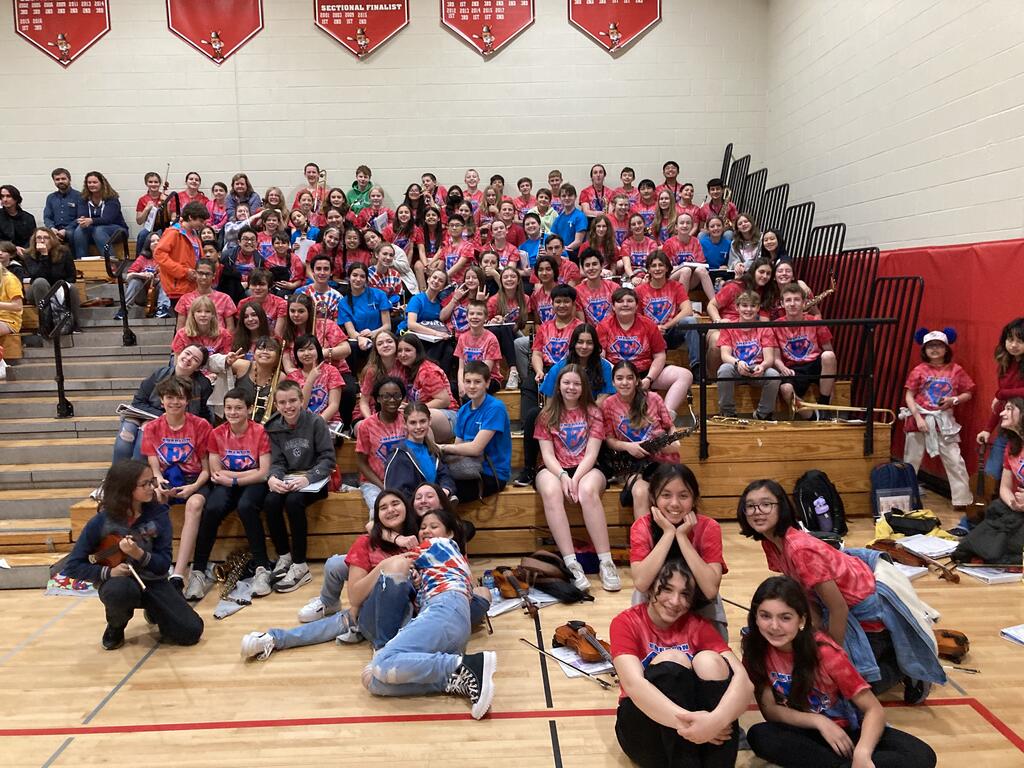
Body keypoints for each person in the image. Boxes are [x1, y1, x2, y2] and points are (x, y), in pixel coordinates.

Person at [737, 479, 946, 700]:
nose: (757, 512)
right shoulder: (771, 542)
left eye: (766, 504)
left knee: (844, 689)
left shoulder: (800, 550)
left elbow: (839, 609)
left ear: (782, 507)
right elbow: (802, 592)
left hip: (864, 614)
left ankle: (903, 668)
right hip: (831, 603)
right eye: (750, 506)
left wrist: (830, 658)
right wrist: (811, 633)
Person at [742, 575, 937, 768]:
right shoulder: (755, 649)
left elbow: (874, 710)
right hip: (803, 728)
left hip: (848, 730)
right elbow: (770, 710)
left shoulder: (826, 653)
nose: (774, 626)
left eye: (785, 618)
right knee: (760, 735)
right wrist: (818, 721)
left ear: (801, 620)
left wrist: (862, 752)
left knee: (921, 754)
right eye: (765, 616)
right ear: (755, 617)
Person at [240, 490, 420, 658]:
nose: (390, 510)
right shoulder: (366, 543)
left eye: (395, 503)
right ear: (378, 515)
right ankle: (275, 637)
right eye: (383, 507)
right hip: (373, 615)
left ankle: (275, 638)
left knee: (345, 619)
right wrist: (384, 566)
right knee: (348, 607)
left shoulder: (420, 536)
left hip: (409, 618)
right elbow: (355, 597)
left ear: (406, 506)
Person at [610, 559, 752, 767]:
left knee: (710, 661)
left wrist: (715, 721)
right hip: (646, 732)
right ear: (651, 588)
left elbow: (744, 682)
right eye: (667, 589)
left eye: (685, 594)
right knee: (672, 659)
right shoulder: (626, 622)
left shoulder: (698, 626)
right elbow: (634, 685)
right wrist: (691, 725)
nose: (675, 601)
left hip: (701, 734)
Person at [360, 508, 497, 720]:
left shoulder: (440, 544)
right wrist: (417, 581)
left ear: (450, 533)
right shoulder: (436, 561)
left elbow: (374, 531)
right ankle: (452, 678)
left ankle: (468, 665)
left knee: (381, 662)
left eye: (434, 526)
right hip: (450, 622)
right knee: (373, 681)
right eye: (423, 527)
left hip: (444, 608)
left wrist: (398, 538)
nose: (426, 531)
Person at [63, 460, 204, 650]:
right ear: (126, 488)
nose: (152, 487)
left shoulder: (159, 514)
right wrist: (109, 573)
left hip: (153, 582)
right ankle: (116, 625)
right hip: (119, 584)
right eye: (145, 484)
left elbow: (163, 564)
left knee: (191, 631)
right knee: (119, 591)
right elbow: (72, 566)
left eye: (152, 481)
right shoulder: (101, 521)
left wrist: (139, 554)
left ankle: (154, 611)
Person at [534, 364, 619, 592]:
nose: (571, 387)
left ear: (583, 388)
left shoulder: (593, 412)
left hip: (586, 467)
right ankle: (572, 563)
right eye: (566, 383)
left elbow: (591, 454)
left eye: (576, 383)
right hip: (553, 468)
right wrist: (563, 475)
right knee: (551, 491)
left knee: (587, 491)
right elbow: (547, 455)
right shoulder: (546, 415)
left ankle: (606, 562)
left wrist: (575, 477)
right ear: (558, 386)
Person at [185, 387, 271, 601]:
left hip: (251, 484)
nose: (232, 412)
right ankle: (198, 571)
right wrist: (243, 474)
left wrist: (233, 479)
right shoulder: (217, 433)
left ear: (249, 409)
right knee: (212, 508)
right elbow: (216, 472)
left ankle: (262, 568)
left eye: (238, 408)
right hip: (228, 482)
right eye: (229, 408)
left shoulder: (259, 431)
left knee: (246, 507)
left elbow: (263, 473)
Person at [629, 464, 728, 635]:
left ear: (694, 498)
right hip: (655, 603)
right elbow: (641, 583)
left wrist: (682, 537)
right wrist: (668, 533)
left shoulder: (709, 527)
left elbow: (710, 590)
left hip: (699, 603)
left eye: (683, 496)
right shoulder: (642, 526)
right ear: (653, 497)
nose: (674, 503)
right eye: (666, 495)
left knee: (713, 649)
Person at [140, 376, 212, 591]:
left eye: (180, 398)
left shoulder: (200, 425)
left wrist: (193, 488)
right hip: (166, 479)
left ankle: (179, 574)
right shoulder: (152, 427)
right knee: (155, 498)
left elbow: (207, 469)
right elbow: (154, 464)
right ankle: (159, 565)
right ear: (162, 400)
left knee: (195, 504)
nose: (175, 402)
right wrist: (159, 481)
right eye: (170, 397)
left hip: (195, 480)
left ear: (187, 401)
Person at [264, 380, 337, 592]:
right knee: (270, 500)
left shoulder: (316, 422)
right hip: (290, 479)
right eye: (282, 402)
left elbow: (328, 459)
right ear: (276, 405)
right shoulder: (273, 427)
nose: (288, 406)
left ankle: (300, 564)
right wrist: (273, 478)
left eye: (292, 401)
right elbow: (277, 461)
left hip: (315, 481)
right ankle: (284, 556)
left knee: (294, 502)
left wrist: (308, 478)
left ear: (301, 400)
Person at [902, 328, 974, 509]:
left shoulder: (956, 370)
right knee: (911, 461)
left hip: (944, 420)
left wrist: (953, 400)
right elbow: (909, 395)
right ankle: (903, 499)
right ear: (924, 349)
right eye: (930, 346)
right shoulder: (919, 370)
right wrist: (918, 417)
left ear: (946, 348)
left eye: (939, 345)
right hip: (920, 418)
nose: (934, 349)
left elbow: (968, 392)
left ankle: (963, 500)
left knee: (955, 460)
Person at [599, 287, 693, 423]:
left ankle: (665, 418)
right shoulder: (604, 326)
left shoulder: (648, 324)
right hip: (616, 374)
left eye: (629, 301)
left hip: (645, 372)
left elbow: (659, 355)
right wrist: (617, 378)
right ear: (613, 306)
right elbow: (601, 357)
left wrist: (649, 379)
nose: (625, 304)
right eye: (620, 301)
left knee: (685, 375)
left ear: (637, 305)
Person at [605, 362, 681, 519]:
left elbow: (670, 427)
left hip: (661, 458)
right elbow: (609, 440)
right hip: (631, 463)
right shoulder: (608, 404)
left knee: (669, 491)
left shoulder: (653, 398)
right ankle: (643, 535)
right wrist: (628, 446)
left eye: (629, 378)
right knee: (640, 492)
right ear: (613, 382)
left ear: (637, 381)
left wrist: (672, 442)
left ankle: (670, 532)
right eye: (619, 378)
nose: (624, 382)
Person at [112, 344, 213, 462]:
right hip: (142, 414)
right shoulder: (159, 374)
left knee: (142, 443)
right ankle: (117, 474)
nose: (188, 358)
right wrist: (159, 416)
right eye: (187, 353)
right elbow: (138, 402)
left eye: (195, 359)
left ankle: (140, 474)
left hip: (174, 422)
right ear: (179, 354)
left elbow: (202, 413)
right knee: (123, 441)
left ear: (198, 368)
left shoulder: (203, 384)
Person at [973, 317, 1024, 534]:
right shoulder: (1006, 364)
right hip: (1008, 429)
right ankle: (980, 524)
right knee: (991, 476)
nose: (1013, 345)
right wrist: (987, 428)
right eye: (1010, 339)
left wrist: (1001, 393)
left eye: (1020, 341)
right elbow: (1001, 404)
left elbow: (1005, 395)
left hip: (1021, 428)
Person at [439, 361, 512, 502]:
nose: (472, 386)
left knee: (439, 496)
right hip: (467, 469)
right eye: (468, 381)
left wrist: (442, 447)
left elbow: (476, 449)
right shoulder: (463, 410)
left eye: (477, 382)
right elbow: (458, 446)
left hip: (491, 474)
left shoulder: (495, 408)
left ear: (487, 383)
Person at [775, 282, 837, 419]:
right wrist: (782, 367)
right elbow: (775, 357)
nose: (792, 304)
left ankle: (824, 406)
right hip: (793, 368)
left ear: (804, 303)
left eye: (797, 300)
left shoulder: (815, 321)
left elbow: (829, 351)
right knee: (785, 389)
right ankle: (814, 417)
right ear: (782, 304)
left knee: (829, 356)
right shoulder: (775, 326)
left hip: (814, 364)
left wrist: (830, 377)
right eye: (788, 300)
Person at [716, 290, 781, 420]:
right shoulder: (728, 327)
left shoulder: (765, 328)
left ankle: (763, 414)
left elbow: (769, 358)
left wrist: (762, 366)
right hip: (736, 367)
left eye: (753, 306)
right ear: (737, 307)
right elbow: (725, 355)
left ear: (758, 308)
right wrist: (737, 362)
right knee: (724, 369)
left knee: (773, 374)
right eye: (744, 305)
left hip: (757, 369)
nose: (748, 309)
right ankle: (728, 413)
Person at [636, 251, 700, 370]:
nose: (657, 269)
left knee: (690, 321)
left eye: (661, 265)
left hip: (671, 331)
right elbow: (637, 317)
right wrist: (654, 328)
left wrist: (665, 326)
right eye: (653, 266)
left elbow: (687, 310)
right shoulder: (639, 290)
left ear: (667, 268)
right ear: (648, 269)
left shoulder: (676, 286)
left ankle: (697, 367)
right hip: (649, 334)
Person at [382, 401, 458, 503]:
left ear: (429, 421)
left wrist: (445, 490)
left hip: (435, 505)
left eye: (422, 421)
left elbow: (445, 476)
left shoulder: (433, 450)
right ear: (405, 424)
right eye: (413, 423)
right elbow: (397, 494)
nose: (418, 427)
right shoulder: (399, 454)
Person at [355, 377, 409, 512]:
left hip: (404, 480)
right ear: (378, 399)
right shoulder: (366, 425)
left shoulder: (407, 420)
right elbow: (361, 463)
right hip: (374, 483)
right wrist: (383, 486)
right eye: (386, 396)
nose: (392, 400)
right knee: (380, 510)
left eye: (397, 395)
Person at [396, 334, 458, 442]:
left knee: (418, 417)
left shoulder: (428, 371)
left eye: (408, 350)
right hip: (422, 412)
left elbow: (444, 401)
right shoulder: (405, 369)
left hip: (447, 414)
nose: (403, 354)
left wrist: (414, 408)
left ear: (417, 351)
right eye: (399, 351)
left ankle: (431, 452)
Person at [23, 227, 82, 334]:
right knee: (40, 282)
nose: (42, 241)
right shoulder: (28, 254)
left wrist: (59, 288)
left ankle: (74, 324)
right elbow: (36, 275)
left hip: (58, 288)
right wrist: (44, 256)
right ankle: (46, 324)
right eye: (39, 238)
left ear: (52, 239)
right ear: (34, 240)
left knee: (72, 288)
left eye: (46, 238)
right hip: (37, 290)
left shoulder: (64, 251)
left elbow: (71, 276)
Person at [154, 201, 210, 305]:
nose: (203, 225)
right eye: (201, 221)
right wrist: (183, 272)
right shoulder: (173, 233)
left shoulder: (194, 235)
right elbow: (159, 254)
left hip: (192, 286)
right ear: (190, 217)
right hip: (177, 287)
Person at [339, 261, 391, 372]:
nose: (358, 279)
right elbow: (351, 332)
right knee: (351, 347)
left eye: (362, 276)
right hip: (359, 339)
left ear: (366, 279)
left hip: (379, 335)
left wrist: (372, 333)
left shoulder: (379, 295)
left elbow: (387, 326)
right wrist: (360, 338)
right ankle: (353, 378)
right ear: (349, 277)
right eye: (355, 275)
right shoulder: (343, 303)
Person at [286, 335, 343, 431]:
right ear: (296, 354)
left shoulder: (331, 371)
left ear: (318, 351)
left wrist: (316, 424)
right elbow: (300, 408)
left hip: (329, 421)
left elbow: (334, 405)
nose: (306, 353)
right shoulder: (292, 377)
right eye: (301, 350)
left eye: (310, 349)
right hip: (301, 423)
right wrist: (310, 380)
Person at [70, 172, 128, 261]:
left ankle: (111, 262)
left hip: (117, 230)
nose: (91, 185)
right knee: (79, 229)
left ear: (102, 183)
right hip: (93, 230)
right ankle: (81, 261)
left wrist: (91, 221)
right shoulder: (83, 198)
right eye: (89, 183)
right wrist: (83, 221)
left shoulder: (112, 199)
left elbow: (108, 219)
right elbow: (82, 216)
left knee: (99, 230)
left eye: (95, 182)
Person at [116, 231, 172, 320]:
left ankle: (163, 308)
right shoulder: (142, 258)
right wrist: (142, 275)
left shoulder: (167, 258)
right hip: (142, 295)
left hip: (158, 294)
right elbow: (128, 276)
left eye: (158, 240)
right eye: (152, 241)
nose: (156, 243)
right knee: (134, 281)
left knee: (165, 281)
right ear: (148, 244)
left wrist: (157, 279)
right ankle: (124, 309)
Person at [174, 257, 237, 332]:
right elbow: (180, 329)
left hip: (218, 338)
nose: (204, 277)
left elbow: (230, 329)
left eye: (207, 274)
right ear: (195, 274)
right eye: (200, 273)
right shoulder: (184, 299)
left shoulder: (225, 298)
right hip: (192, 338)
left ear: (214, 276)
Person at [454, 300, 503, 394]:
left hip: (488, 378)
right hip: (468, 378)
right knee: (453, 388)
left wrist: (470, 386)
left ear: (486, 318)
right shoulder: (462, 338)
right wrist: (461, 384)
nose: (475, 317)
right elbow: (461, 368)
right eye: (471, 314)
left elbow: (486, 370)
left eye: (479, 314)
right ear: (467, 317)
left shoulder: (491, 339)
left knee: (473, 391)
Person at [663, 215, 716, 299]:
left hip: (691, 278)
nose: (685, 225)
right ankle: (683, 303)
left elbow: (701, 263)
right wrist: (683, 267)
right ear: (676, 226)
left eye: (688, 223)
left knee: (701, 270)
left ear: (691, 226)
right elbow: (666, 268)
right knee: (686, 270)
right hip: (673, 277)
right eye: (682, 223)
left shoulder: (696, 241)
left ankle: (714, 302)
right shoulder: (669, 243)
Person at [238, 269, 287, 338]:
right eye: (254, 284)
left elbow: (278, 334)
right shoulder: (242, 303)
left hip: (271, 341)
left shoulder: (281, 304)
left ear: (269, 286)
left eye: (262, 284)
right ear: (249, 286)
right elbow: (241, 331)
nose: (257, 288)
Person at [575, 250, 615, 325]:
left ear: (601, 266)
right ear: (583, 269)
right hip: (589, 331)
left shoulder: (614, 287)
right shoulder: (577, 291)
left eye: (594, 264)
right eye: (587, 265)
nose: (591, 268)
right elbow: (581, 323)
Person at [43, 168, 82, 246]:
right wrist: (52, 228)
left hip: (72, 229)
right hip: (55, 229)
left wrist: (65, 230)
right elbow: (47, 217)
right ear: (54, 181)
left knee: (71, 234)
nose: (60, 181)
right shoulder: (51, 197)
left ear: (69, 179)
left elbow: (80, 217)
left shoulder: (79, 196)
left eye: (63, 179)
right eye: (57, 179)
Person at [618, 214, 659, 284]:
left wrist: (648, 276)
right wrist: (633, 277)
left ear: (644, 224)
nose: (637, 226)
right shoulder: (626, 243)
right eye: (633, 224)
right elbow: (627, 266)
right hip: (631, 275)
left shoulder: (652, 243)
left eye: (639, 223)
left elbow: (653, 264)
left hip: (648, 274)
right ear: (630, 228)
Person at [551, 183, 589, 258]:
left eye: (570, 195)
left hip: (574, 256)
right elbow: (552, 238)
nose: (567, 198)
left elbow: (578, 242)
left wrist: (561, 252)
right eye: (564, 196)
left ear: (575, 197)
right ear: (560, 198)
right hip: (560, 255)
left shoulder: (580, 216)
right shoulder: (558, 218)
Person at [0, 184, 37, 256]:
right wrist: (14, 248)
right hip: (3, 252)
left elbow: (32, 239)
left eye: (8, 196)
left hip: (24, 252)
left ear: (16, 198)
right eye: (2, 196)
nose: (5, 199)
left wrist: (24, 250)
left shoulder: (28, 218)